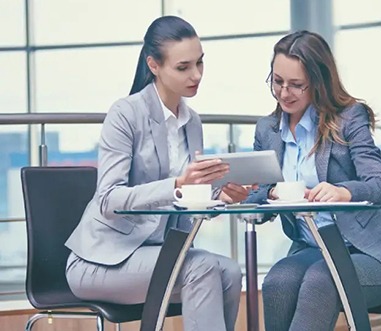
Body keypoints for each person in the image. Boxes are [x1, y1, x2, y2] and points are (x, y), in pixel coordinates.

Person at [65, 16, 246, 331]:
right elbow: (108, 200)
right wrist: (177, 184)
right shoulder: (125, 114)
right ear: (154, 65)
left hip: (156, 253)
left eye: (200, 63)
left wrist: (221, 196)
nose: (196, 75)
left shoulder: (192, 122)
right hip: (102, 262)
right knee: (201, 268)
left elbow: (190, 198)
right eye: (183, 67)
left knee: (229, 271)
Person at [246, 31, 381, 330]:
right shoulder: (268, 130)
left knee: (321, 281)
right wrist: (247, 196)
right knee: (276, 282)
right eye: (277, 81)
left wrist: (342, 191)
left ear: (319, 82)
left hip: (372, 253)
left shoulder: (349, 118)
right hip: (311, 250)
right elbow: (261, 203)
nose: (284, 93)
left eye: (296, 85)